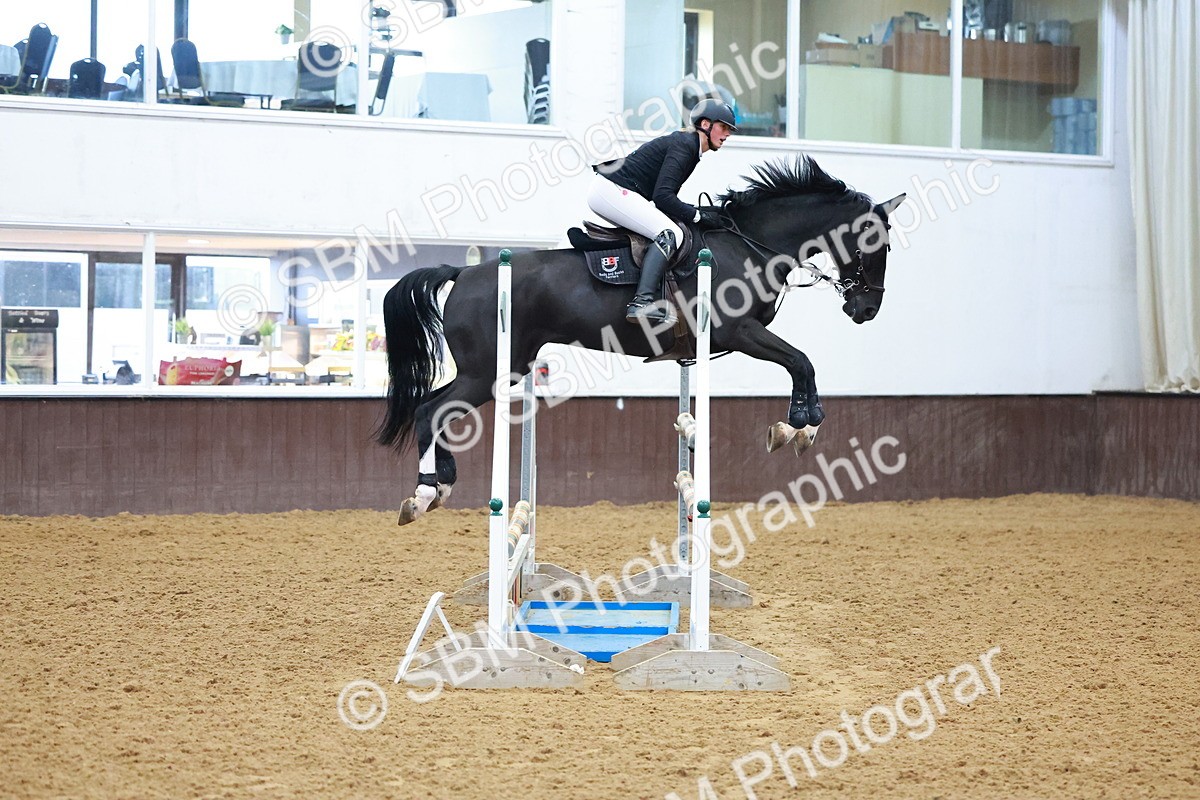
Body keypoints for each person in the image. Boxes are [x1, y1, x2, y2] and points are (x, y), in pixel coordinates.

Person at [588, 98, 737, 323]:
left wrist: (696, 213)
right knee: (670, 234)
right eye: (724, 127)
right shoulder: (686, 145)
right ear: (706, 125)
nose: (727, 135)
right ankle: (642, 302)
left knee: (668, 228)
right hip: (611, 190)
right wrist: (698, 215)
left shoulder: (690, 148)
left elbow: (664, 199)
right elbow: (663, 197)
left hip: (614, 190)